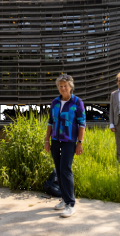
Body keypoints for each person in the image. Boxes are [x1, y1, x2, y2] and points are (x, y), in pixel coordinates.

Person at [44, 74, 86, 218]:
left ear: (70, 87)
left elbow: (82, 124)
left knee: (65, 169)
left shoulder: (77, 102)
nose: (63, 88)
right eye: (60, 86)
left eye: (65, 86)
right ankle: (64, 198)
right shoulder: (55, 102)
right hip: (55, 140)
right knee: (58, 170)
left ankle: (71, 204)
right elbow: (50, 122)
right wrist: (47, 140)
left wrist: (80, 142)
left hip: (69, 141)